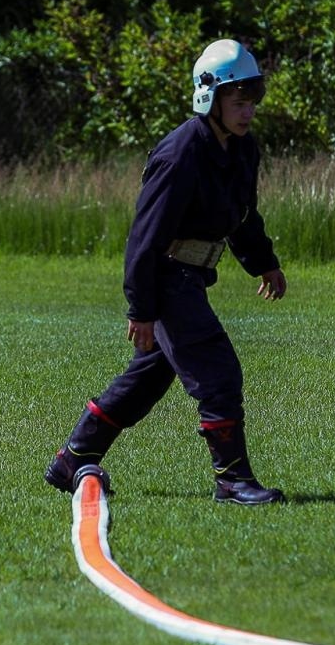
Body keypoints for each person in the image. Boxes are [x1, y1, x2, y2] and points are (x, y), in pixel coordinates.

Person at [44, 39, 288, 505]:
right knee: (217, 372)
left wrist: (264, 262)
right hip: (168, 280)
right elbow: (145, 238)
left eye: (252, 101)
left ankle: (74, 458)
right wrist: (141, 308)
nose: (248, 112)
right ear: (209, 98)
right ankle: (233, 480)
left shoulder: (242, 148)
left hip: (192, 280)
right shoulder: (180, 154)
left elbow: (243, 215)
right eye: (239, 102)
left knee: (147, 380)